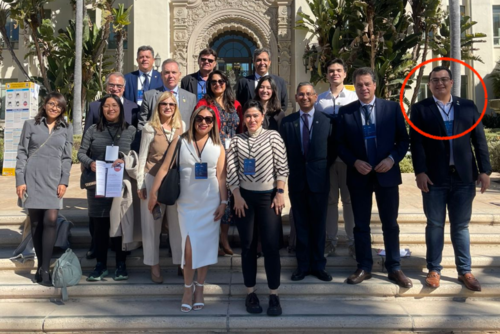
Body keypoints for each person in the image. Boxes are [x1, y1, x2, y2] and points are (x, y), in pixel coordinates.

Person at [410, 66, 491, 291]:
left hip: (464, 177)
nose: (439, 83)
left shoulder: (467, 106)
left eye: (444, 79)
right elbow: (416, 144)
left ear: (452, 82)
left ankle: (465, 270)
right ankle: (434, 269)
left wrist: (485, 171)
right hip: (435, 179)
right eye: (434, 80)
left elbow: (479, 140)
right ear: (430, 84)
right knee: (435, 225)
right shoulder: (420, 109)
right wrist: (420, 172)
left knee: (461, 226)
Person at [148, 106, 228, 312]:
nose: (204, 122)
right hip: (187, 203)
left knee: (206, 248)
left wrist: (223, 202)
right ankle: (187, 288)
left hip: (210, 202)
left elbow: (221, 176)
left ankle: (199, 288)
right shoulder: (181, 140)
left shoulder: (218, 144)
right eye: (200, 118)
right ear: (193, 120)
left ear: (214, 123)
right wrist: (153, 193)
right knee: (190, 249)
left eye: (209, 120)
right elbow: (165, 168)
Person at [337, 67, 411, 288]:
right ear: (354, 87)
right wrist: (354, 162)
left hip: (386, 175)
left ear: (375, 85)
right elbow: (340, 145)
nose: (364, 88)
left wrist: (391, 159)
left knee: (390, 223)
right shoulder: (346, 112)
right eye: (359, 85)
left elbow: (404, 141)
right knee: (361, 225)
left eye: (367, 84)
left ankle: (394, 267)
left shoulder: (392, 109)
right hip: (359, 175)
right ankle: (364, 267)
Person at [227, 100, 289, 316]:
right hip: (244, 199)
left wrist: (280, 193)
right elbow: (231, 171)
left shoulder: (273, 136)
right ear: (243, 119)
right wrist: (236, 196)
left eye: (255, 116)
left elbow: (282, 167)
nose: (251, 120)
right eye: (247, 116)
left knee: (271, 246)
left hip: (268, 198)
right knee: (248, 246)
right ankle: (251, 292)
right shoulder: (236, 140)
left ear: (262, 116)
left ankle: (274, 294)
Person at [15, 92, 73, 286]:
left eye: (58, 105)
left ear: (63, 109)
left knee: (51, 220)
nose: (54, 108)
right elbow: (22, 153)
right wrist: (20, 180)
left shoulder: (66, 127)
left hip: (54, 179)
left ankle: (46, 269)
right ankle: (41, 266)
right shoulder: (30, 125)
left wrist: (64, 181)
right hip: (32, 177)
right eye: (51, 104)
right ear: (45, 104)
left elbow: (67, 157)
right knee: (37, 223)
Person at [78, 94, 137, 281]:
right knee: (100, 227)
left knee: (120, 224)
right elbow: (80, 153)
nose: (110, 109)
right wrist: (91, 163)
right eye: (106, 106)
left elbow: (137, 155)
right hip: (98, 184)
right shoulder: (93, 130)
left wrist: (125, 159)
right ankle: (100, 265)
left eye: (114, 105)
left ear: (120, 108)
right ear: (101, 109)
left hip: (120, 185)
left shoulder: (131, 130)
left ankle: (121, 265)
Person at [280, 82, 335, 282]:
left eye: (309, 94)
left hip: (319, 180)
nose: (305, 97)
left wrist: (320, 168)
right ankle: (302, 266)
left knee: (319, 225)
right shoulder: (287, 123)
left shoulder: (327, 121)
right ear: (296, 98)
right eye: (301, 94)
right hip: (297, 181)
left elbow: (333, 150)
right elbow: (282, 151)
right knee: (301, 224)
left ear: (315, 97)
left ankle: (319, 266)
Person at [137, 92, 186, 283]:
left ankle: (181, 263)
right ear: (158, 107)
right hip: (152, 180)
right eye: (164, 104)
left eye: (172, 105)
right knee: (152, 225)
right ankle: (154, 265)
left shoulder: (182, 127)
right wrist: (141, 183)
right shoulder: (150, 128)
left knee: (177, 224)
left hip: (174, 181)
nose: (168, 107)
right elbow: (142, 158)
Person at [196, 70, 242, 255]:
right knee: (214, 196)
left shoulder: (236, 104)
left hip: (234, 154)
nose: (217, 84)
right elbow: (198, 127)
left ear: (226, 83)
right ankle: (212, 239)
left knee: (229, 198)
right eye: (214, 82)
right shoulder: (203, 104)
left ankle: (223, 238)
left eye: (221, 81)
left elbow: (241, 127)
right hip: (213, 153)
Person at [315, 59, 358, 257]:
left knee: (349, 200)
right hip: (327, 158)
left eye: (338, 70)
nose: (335, 74)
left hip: (349, 158)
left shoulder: (354, 98)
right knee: (331, 200)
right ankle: (330, 240)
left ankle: (353, 241)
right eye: (331, 71)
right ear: (327, 75)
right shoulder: (319, 100)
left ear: (345, 73)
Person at [139, 59, 197, 130]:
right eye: (167, 72)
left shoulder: (191, 98)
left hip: (182, 139)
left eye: (174, 72)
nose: (170, 76)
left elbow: (194, 123)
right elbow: (142, 124)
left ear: (179, 74)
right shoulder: (149, 96)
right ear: (161, 75)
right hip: (157, 139)